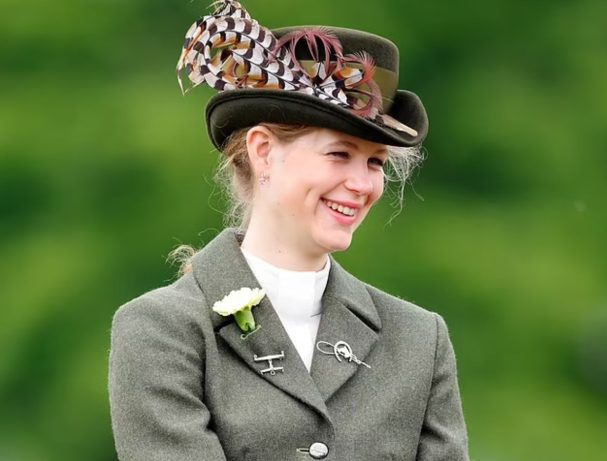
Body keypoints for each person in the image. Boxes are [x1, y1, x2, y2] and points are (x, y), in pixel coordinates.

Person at [108, 1, 469, 460]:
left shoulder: (419, 339)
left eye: (375, 163)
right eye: (339, 154)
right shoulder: (162, 330)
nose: (362, 184)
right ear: (263, 151)